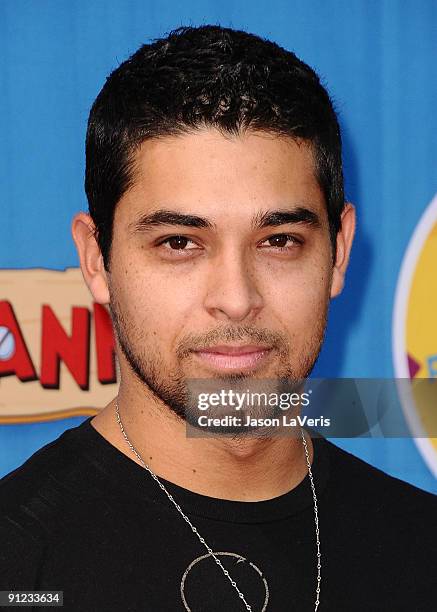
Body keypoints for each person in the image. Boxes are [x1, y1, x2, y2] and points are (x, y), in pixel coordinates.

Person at [0, 24, 435, 612]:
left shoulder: (420, 547)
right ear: (96, 259)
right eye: (179, 243)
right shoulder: (18, 561)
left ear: (339, 251)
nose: (235, 297)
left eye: (279, 240)